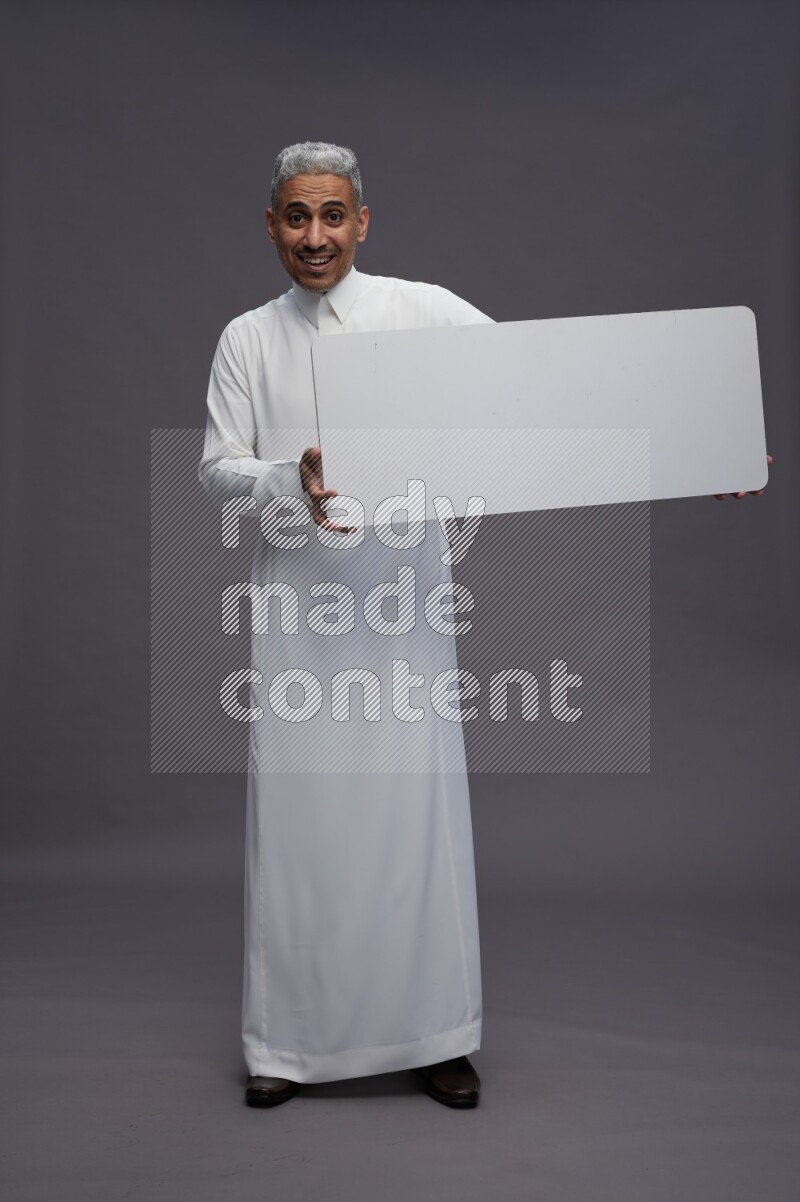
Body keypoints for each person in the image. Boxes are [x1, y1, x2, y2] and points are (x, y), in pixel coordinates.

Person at [199, 142, 493, 1108]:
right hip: (298, 612)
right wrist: (293, 478)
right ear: (272, 227)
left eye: (332, 215)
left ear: (362, 222)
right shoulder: (248, 338)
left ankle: (437, 1033)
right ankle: (289, 1043)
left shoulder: (427, 309)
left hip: (403, 605)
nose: (315, 236)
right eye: (296, 217)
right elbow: (217, 467)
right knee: (301, 824)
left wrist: (699, 447)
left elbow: (538, 388)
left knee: (417, 820)